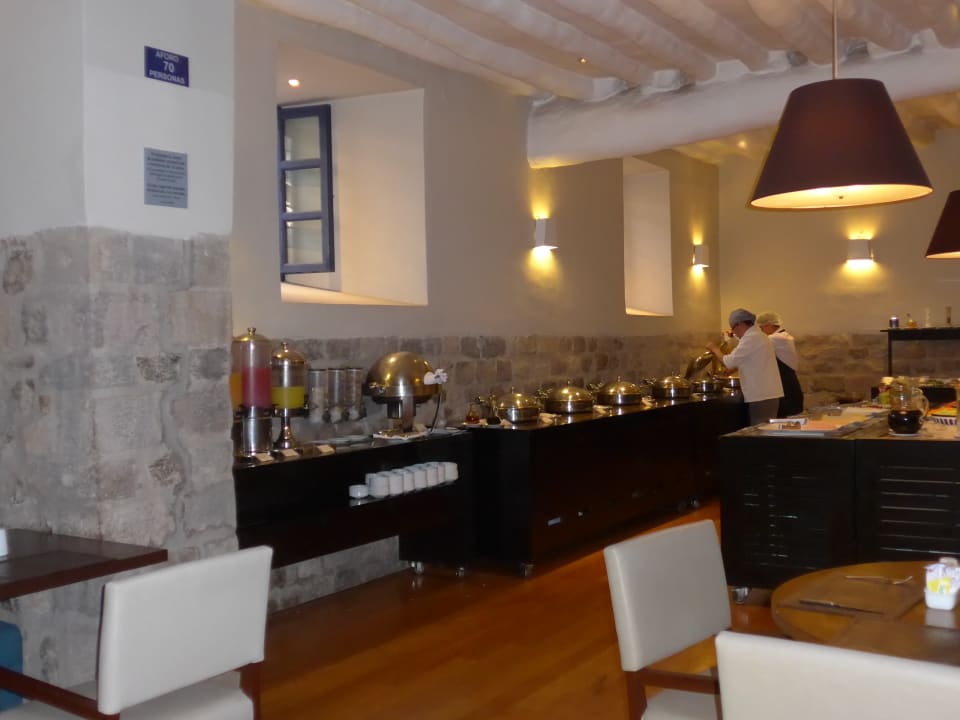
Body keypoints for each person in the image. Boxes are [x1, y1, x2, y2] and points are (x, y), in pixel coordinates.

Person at [706, 308, 783, 425]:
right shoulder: (758, 335)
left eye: (733, 328)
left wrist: (714, 348)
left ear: (740, 324)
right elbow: (751, 360)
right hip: (767, 394)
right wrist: (731, 370)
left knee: (760, 430)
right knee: (765, 430)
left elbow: (728, 361)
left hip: (761, 395)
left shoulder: (751, 338)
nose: (734, 332)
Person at [757, 311, 804, 416]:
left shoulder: (775, 338)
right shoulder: (783, 336)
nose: (761, 331)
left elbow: (754, 349)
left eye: (762, 328)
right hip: (789, 385)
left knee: (786, 420)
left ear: (769, 325)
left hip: (786, 388)